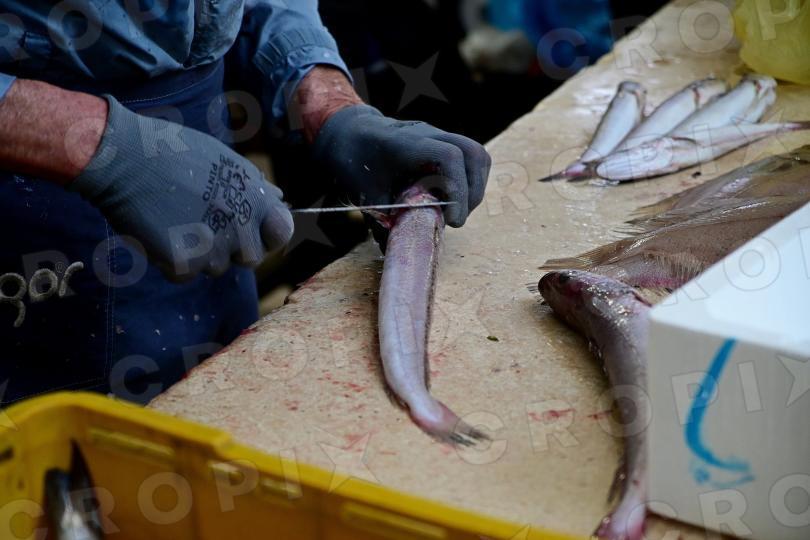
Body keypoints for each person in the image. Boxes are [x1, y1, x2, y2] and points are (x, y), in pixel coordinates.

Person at [0, 1, 491, 405]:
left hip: (204, 175)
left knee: (218, 415)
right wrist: (98, 144)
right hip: (31, 214)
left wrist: (330, 104)